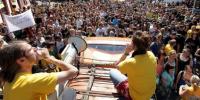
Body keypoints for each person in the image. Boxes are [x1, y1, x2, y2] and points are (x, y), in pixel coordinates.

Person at [0, 41, 78, 100]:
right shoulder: (34, 80)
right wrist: (49, 58)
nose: (35, 49)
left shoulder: (8, 81)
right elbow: (73, 71)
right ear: (21, 61)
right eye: (30, 49)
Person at [109, 31, 157, 100]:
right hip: (149, 94)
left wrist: (126, 52)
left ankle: (122, 92)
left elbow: (117, 65)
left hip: (135, 96)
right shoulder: (151, 55)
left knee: (112, 71)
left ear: (135, 46)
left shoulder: (130, 62)